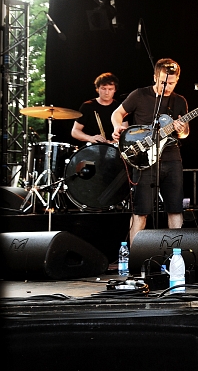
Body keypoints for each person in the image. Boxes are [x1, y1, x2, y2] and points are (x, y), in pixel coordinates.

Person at [111, 59, 189, 244]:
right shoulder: (139, 95)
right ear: (155, 77)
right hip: (144, 159)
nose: (167, 87)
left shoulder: (179, 101)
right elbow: (118, 113)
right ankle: (134, 259)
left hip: (171, 158)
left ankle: (175, 255)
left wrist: (180, 129)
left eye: (171, 83)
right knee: (141, 211)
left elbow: (185, 132)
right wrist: (116, 127)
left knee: (175, 208)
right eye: (163, 82)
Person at [71, 72, 121, 144]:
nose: (107, 92)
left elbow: (124, 132)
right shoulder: (87, 106)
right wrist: (90, 138)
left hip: (113, 148)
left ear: (115, 90)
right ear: (97, 89)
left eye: (110, 89)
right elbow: (75, 131)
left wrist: (112, 142)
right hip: (91, 148)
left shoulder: (120, 108)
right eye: (103, 88)